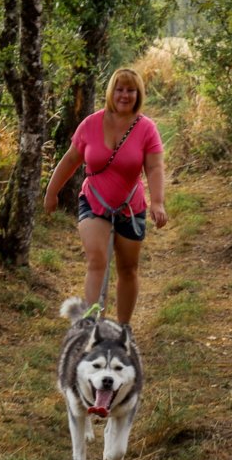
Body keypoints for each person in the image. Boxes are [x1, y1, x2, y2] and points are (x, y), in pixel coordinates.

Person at [44, 68, 168, 325]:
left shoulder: (146, 129)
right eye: (120, 89)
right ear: (111, 92)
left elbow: (154, 167)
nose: (125, 95)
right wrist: (51, 191)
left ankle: (123, 328)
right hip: (94, 201)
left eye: (130, 90)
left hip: (130, 208)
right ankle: (92, 326)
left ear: (138, 94)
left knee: (128, 268)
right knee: (97, 259)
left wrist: (157, 202)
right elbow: (70, 160)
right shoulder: (90, 124)